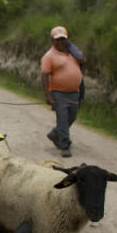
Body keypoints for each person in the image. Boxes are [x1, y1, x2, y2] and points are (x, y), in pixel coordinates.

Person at [40, 26, 84, 157]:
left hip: (74, 92)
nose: (60, 42)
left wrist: (76, 52)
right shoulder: (49, 56)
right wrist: (48, 95)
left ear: (67, 39)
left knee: (72, 116)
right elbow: (44, 76)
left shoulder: (73, 53)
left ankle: (55, 134)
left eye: (62, 39)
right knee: (63, 120)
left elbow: (84, 61)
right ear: (52, 41)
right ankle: (64, 145)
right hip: (58, 93)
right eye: (57, 40)